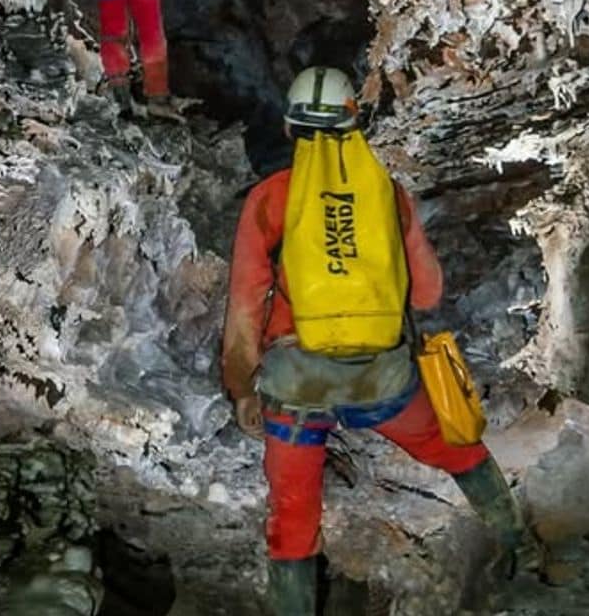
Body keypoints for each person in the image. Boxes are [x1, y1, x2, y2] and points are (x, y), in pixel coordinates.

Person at [220, 66, 529, 614]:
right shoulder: (385, 192)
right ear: (353, 123)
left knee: (292, 516)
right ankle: (515, 543)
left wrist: (243, 389)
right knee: (453, 446)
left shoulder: (270, 199)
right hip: (380, 379)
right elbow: (428, 292)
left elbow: (245, 307)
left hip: (297, 386)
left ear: (291, 128)